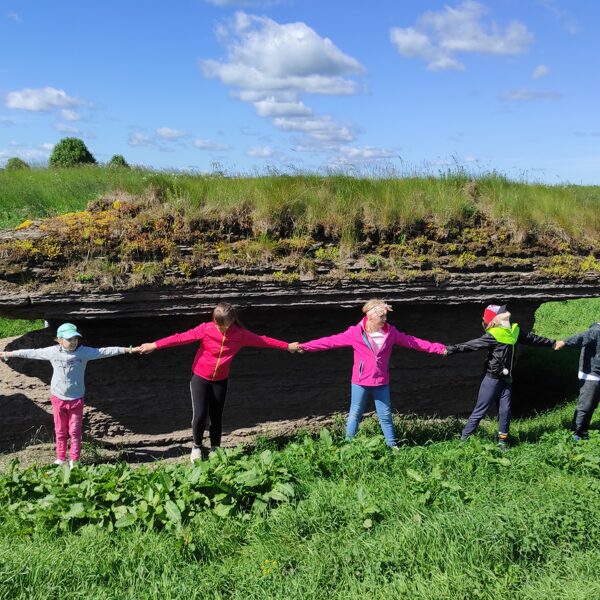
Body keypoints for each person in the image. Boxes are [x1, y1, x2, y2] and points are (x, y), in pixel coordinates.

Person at [137, 302, 297, 462]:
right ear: (213, 319)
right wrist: (155, 345)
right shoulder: (206, 328)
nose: (220, 329)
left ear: (232, 320)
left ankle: (215, 448)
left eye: (224, 326)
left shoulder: (240, 334)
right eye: (217, 324)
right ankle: (197, 447)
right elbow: (180, 338)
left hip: (220, 380)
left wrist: (287, 346)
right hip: (200, 377)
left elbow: (263, 340)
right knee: (199, 415)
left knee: (216, 416)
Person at [291, 299, 447, 448]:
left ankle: (392, 445)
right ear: (371, 317)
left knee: (385, 415)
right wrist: (305, 347)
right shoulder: (355, 333)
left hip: (381, 381)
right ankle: (348, 444)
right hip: (360, 381)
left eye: (386, 315)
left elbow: (413, 342)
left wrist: (439, 349)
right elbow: (330, 341)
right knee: (355, 414)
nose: (385, 319)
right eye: (382, 316)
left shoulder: (391, 333)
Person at [0, 323, 137, 468]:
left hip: (76, 399)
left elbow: (105, 351)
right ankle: (60, 458)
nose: (73, 342)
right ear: (59, 340)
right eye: (69, 339)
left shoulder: (83, 352)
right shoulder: (52, 351)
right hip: (58, 398)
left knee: (74, 431)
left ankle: (75, 460)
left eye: (75, 338)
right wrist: (9, 354)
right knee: (60, 430)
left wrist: (129, 350)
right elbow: (32, 352)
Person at [445, 304, 555, 448]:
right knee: (480, 410)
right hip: (492, 380)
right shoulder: (494, 335)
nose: (506, 311)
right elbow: (471, 345)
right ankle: (464, 440)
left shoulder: (514, 331)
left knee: (505, 411)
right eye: (501, 311)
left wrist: (552, 343)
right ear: (496, 319)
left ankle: (502, 441)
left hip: (506, 380)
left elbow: (532, 339)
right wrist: (450, 349)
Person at [554, 321, 600, 442]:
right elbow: (581, 337)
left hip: (597, 374)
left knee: (592, 405)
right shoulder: (596, 331)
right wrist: (564, 342)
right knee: (585, 405)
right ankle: (575, 433)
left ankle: (583, 430)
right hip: (591, 374)